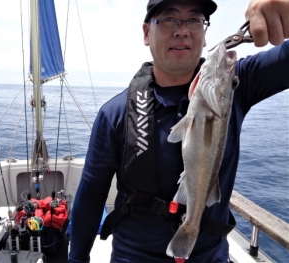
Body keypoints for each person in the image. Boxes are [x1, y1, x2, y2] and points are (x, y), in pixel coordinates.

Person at [68, 0, 289, 262]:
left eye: (194, 20)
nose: (182, 30)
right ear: (146, 33)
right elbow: (91, 196)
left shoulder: (232, 83)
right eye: (168, 19)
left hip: (210, 256)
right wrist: (76, 258)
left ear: (205, 35)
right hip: (133, 256)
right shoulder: (114, 114)